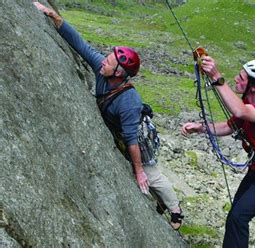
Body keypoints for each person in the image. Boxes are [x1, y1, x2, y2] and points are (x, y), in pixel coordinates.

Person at [33, 1, 183, 230]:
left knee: (150, 176)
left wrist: (139, 170)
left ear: (119, 73)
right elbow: (80, 45)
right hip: (122, 131)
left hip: (138, 139)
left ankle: (175, 210)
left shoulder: (128, 101)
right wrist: (54, 16)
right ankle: (160, 202)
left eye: (109, 61)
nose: (103, 60)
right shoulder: (103, 70)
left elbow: (132, 140)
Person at [181, 56, 255, 247]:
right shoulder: (247, 101)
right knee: (235, 215)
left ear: (254, 86)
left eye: (241, 78)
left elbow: (240, 112)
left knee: (238, 217)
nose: (236, 79)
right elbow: (228, 126)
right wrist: (201, 128)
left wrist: (216, 76)